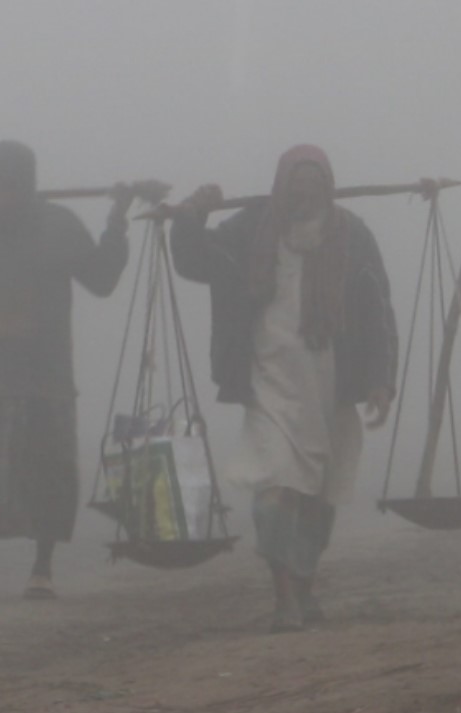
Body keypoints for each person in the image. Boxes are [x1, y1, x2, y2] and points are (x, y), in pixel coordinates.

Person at [168, 144, 398, 632]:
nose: (304, 198)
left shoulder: (351, 235)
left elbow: (377, 307)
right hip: (268, 382)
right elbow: (194, 262)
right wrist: (191, 217)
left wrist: (380, 379)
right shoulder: (251, 229)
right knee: (275, 494)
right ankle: (283, 599)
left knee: (317, 500)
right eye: (296, 187)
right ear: (281, 188)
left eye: (314, 188)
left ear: (327, 191)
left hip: (332, 387)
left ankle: (305, 586)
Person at [0, 140, 133, 600]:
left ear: (30, 188)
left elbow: (101, 279)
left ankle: (42, 569)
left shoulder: (59, 226)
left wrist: (117, 222)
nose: (1, 196)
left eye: (11, 187)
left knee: (48, 470)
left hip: (46, 372)